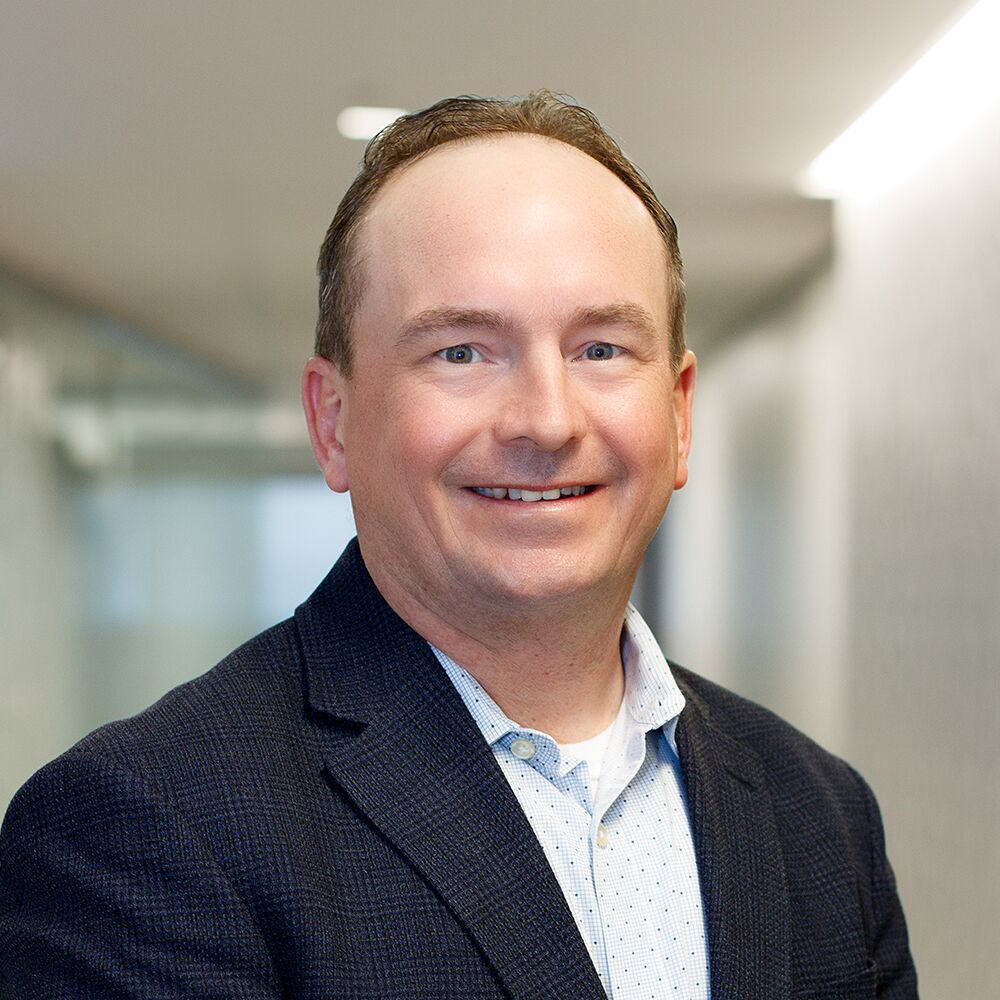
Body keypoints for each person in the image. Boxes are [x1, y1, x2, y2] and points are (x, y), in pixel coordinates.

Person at [0, 92, 916, 999]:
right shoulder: (147, 825)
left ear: (678, 416)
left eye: (600, 348)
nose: (547, 422)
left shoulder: (822, 813)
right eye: (463, 352)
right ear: (334, 421)